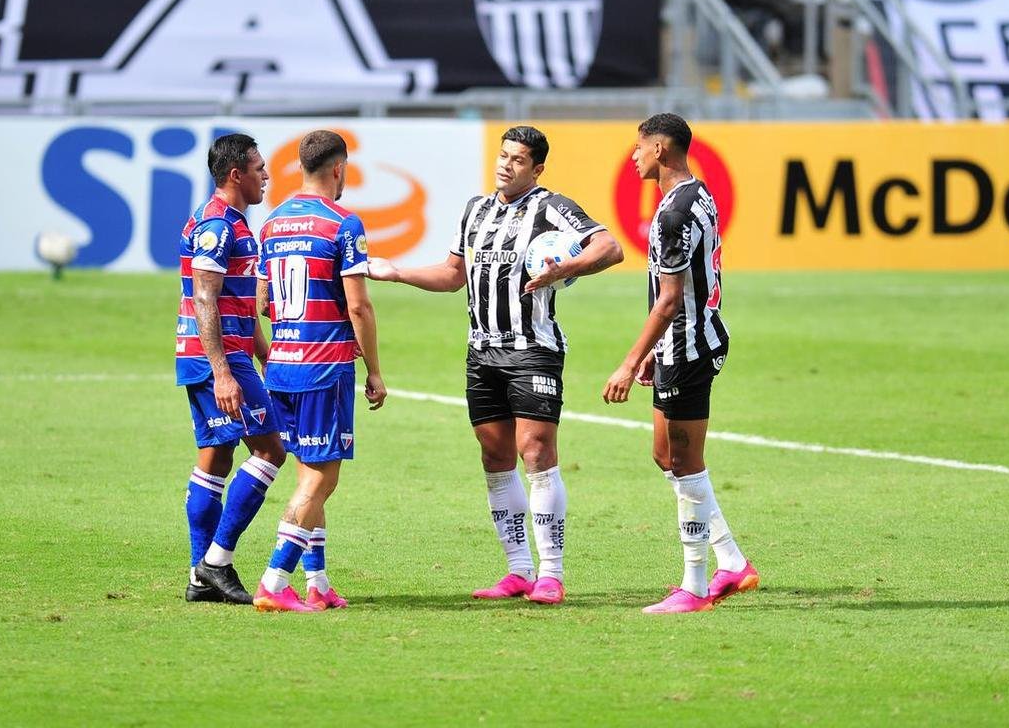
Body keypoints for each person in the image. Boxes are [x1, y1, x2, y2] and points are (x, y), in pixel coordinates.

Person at [369, 125, 623, 605]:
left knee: (536, 452)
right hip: (481, 352)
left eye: (518, 159)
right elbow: (451, 276)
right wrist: (396, 271)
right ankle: (518, 570)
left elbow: (609, 247)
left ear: (537, 168)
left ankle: (551, 573)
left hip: (533, 348)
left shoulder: (551, 208)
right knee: (495, 458)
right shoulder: (476, 210)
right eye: (503, 155)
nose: (506, 164)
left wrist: (562, 270)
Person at [602, 113, 758, 614]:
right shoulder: (695, 195)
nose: (634, 155)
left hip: (690, 347)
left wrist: (629, 361)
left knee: (686, 463)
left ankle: (693, 586)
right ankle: (731, 561)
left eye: (640, 147)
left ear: (662, 149)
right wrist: (654, 350)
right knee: (664, 455)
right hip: (677, 345)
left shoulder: (672, 215)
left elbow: (669, 300)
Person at [250, 129, 387, 613]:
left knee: (308, 472)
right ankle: (273, 579)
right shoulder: (343, 223)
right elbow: (360, 307)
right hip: (325, 368)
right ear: (337, 169)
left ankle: (318, 581)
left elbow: (262, 301)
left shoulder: (271, 223)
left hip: (281, 367)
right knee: (321, 480)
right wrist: (373, 369)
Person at [177, 133, 290, 605]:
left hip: (226, 354)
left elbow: (236, 303)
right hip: (216, 359)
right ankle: (215, 563)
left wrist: (264, 353)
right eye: (260, 167)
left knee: (217, 457)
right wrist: (223, 371)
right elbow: (205, 297)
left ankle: (200, 575)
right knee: (270, 451)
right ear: (236, 175)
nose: (267, 175)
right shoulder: (218, 225)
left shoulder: (234, 224)